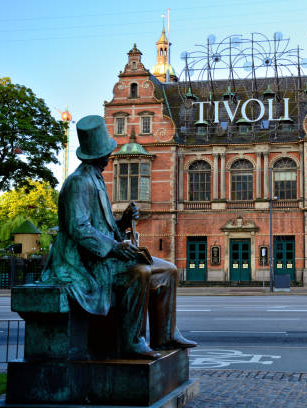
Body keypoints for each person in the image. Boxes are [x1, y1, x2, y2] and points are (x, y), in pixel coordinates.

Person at [41, 115, 196, 359]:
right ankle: (130, 342)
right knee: (138, 273)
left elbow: (100, 225)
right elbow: (79, 228)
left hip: (102, 256)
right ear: (95, 156)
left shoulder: (97, 180)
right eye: (106, 153)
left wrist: (122, 221)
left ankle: (165, 336)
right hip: (83, 262)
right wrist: (115, 248)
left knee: (169, 270)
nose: (109, 157)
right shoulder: (78, 182)